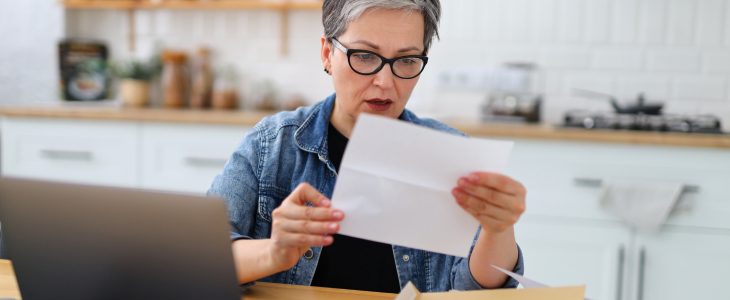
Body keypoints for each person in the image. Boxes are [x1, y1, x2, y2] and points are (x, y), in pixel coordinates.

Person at [208, 0, 526, 293]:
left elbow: (475, 293)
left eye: (406, 60)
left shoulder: (453, 156)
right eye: (364, 55)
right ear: (326, 54)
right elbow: (203, 255)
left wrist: (499, 229)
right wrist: (273, 252)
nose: (386, 82)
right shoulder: (271, 145)